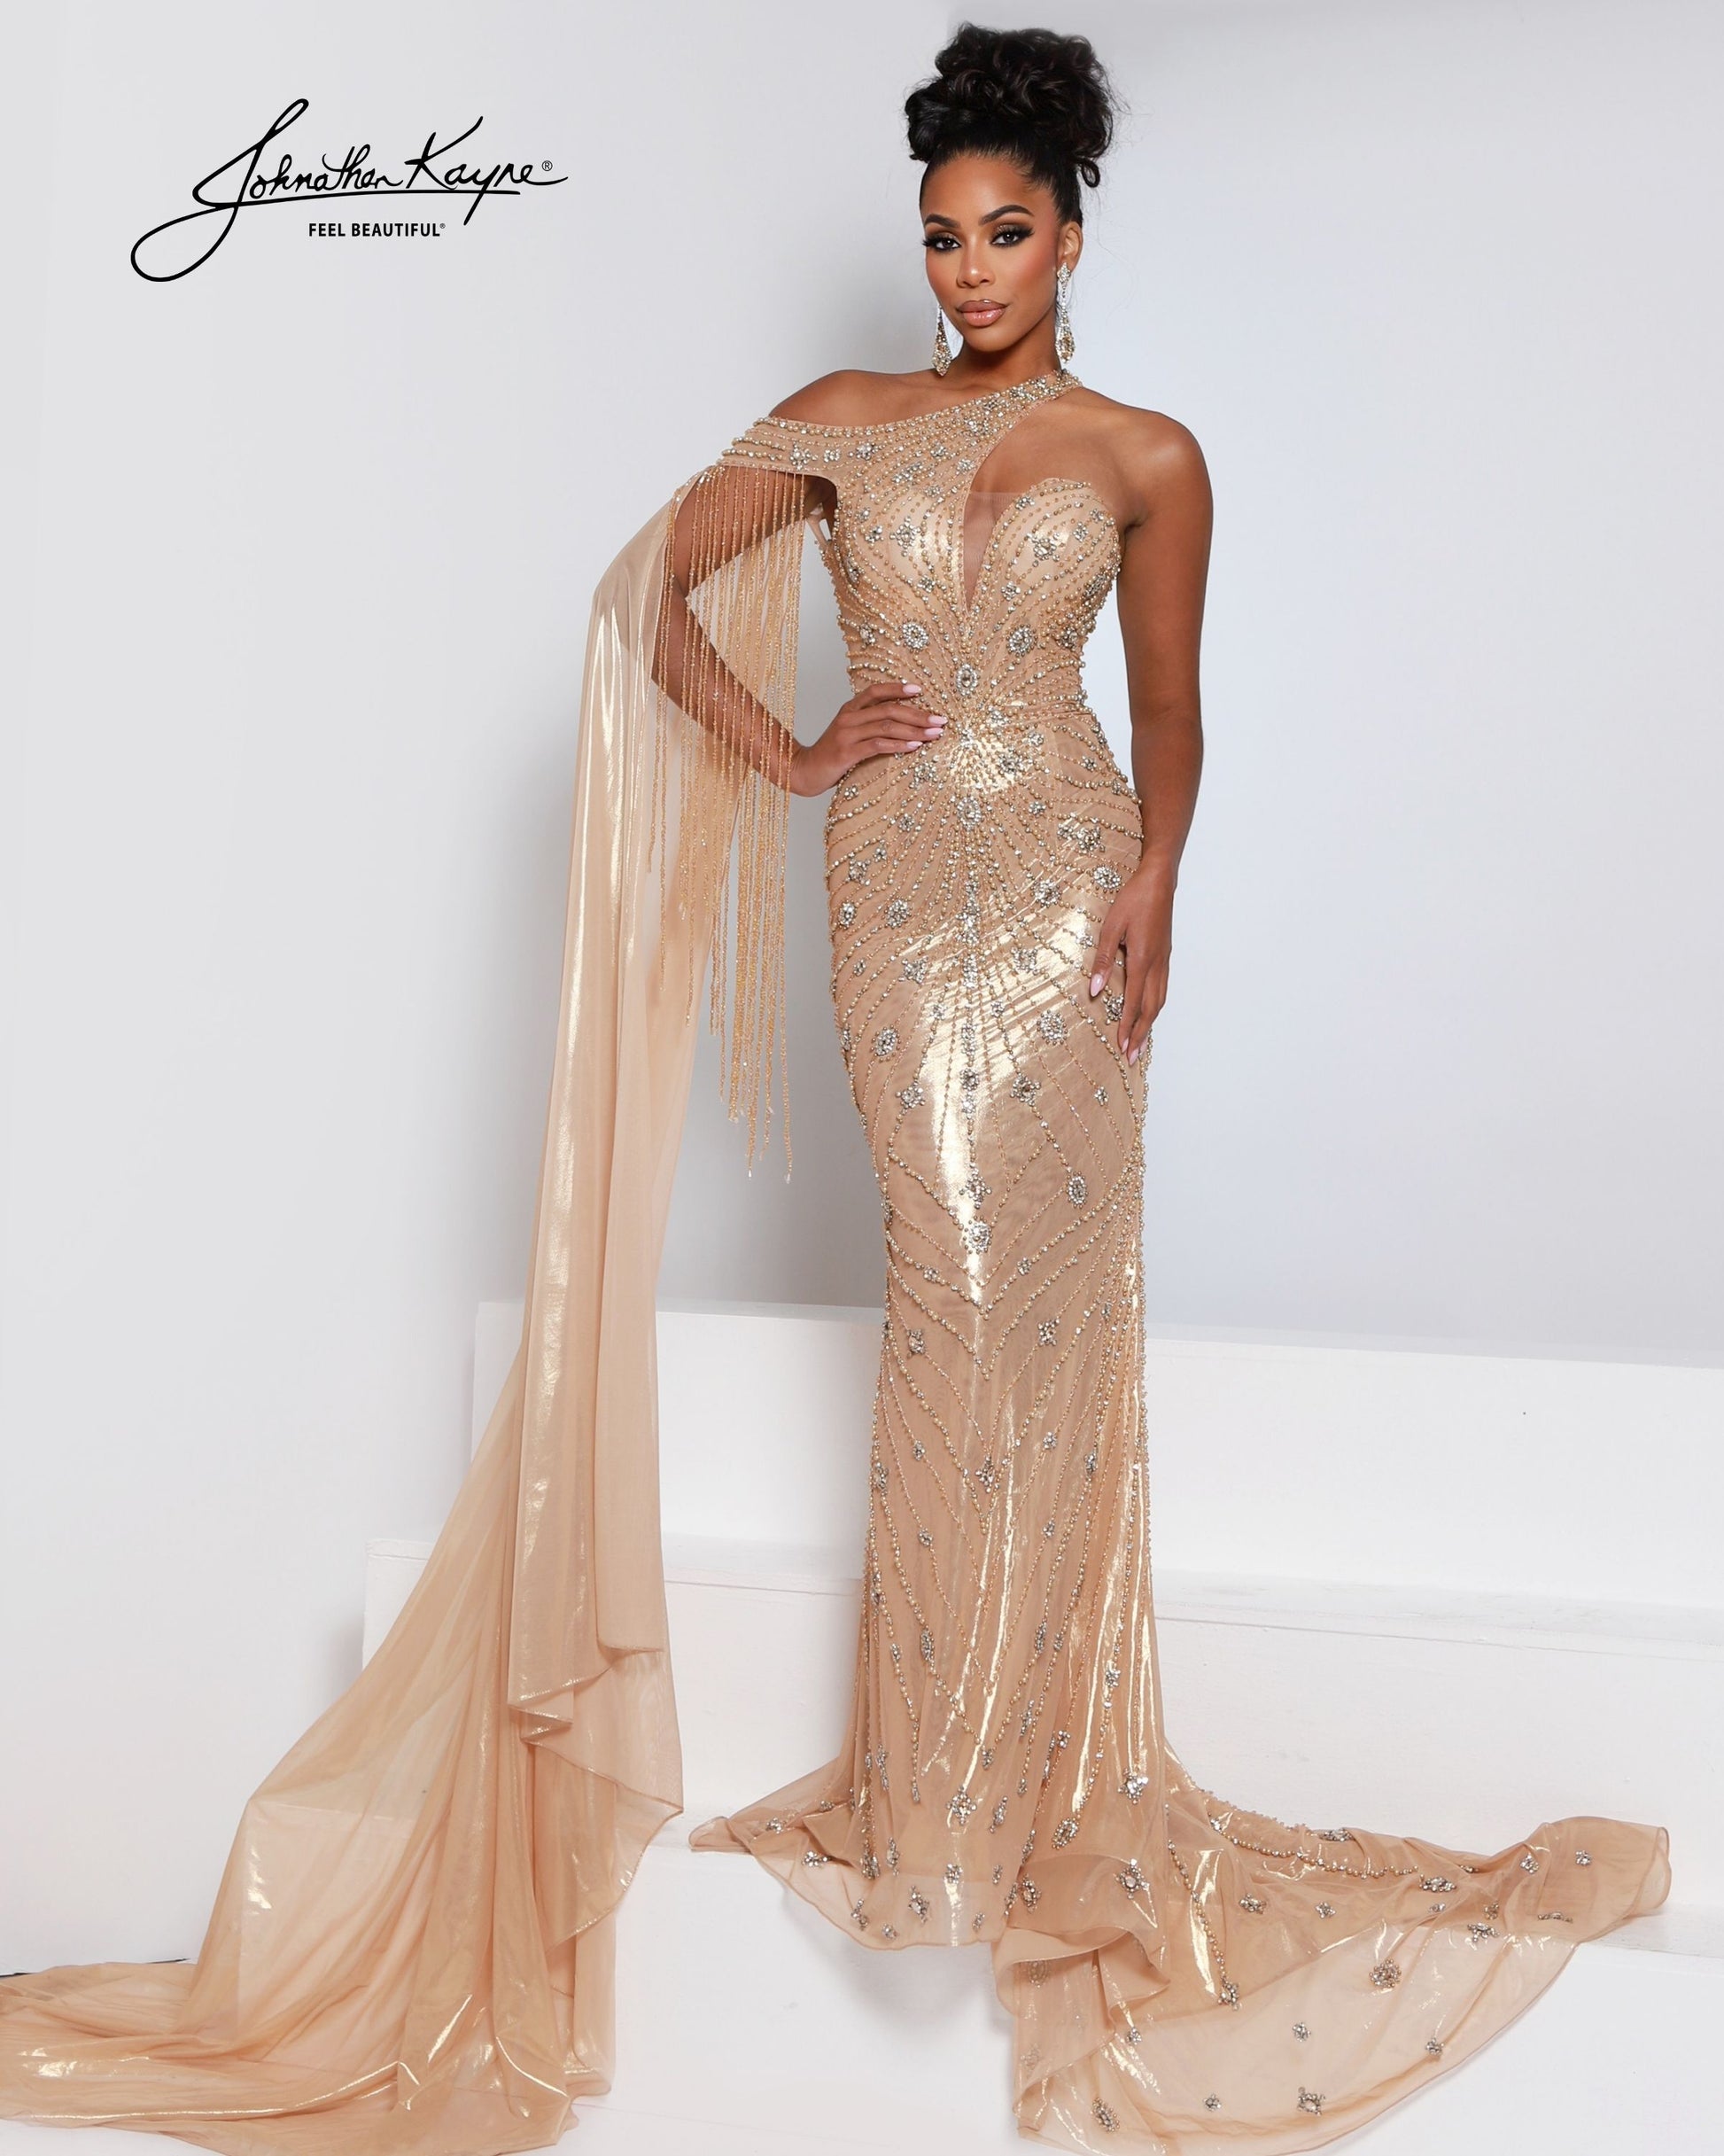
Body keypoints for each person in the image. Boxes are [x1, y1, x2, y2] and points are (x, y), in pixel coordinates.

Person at [0, 21, 1669, 2156]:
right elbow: (641, 591)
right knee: (945, 1281)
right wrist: (790, 754)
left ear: (1073, 234)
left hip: (1063, 895)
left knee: (1040, 1317)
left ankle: (1023, 1777)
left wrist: (1156, 879)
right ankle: (934, 1783)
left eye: (1005, 233)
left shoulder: (1149, 454)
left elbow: (1172, 707)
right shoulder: (843, 419)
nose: (968, 271)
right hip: (894, 897)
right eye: (942, 236)